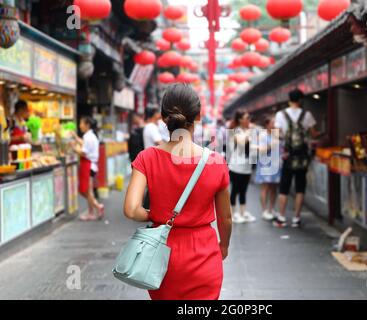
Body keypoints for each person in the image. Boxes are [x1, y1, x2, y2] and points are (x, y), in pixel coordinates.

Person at [123, 83, 232, 300]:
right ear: (198, 117)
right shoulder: (216, 162)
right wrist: (224, 246)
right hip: (204, 255)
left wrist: (156, 215)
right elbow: (225, 218)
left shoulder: (147, 158)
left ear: (163, 118)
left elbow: (131, 209)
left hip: (161, 257)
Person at [273, 89, 318, 228]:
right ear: (300, 100)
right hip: (302, 156)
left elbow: (277, 134)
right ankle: (296, 218)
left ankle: (281, 217)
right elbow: (313, 134)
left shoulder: (281, 115)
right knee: (300, 187)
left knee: (284, 187)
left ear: (289, 99)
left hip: (287, 155)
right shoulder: (307, 115)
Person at [71, 116, 104, 221]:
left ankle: (97, 206)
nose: (80, 125)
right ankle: (91, 212)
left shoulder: (87, 137)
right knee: (88, 190)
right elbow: (85, 146)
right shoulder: (91, 136)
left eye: (81, 123)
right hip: (91, 165)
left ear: (87, 125)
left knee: (86, 190)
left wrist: (74, 148)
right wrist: (76, 137)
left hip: (88, 165)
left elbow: (84, 152)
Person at [228, 110, 256, 224]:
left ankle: (243, 212)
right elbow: (242, 142)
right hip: (236, 167)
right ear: (240, 120)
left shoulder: (248, 131)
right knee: (235, 190)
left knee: (244, 190)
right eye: (247, 117)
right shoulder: (235, 131)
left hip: (247, 166)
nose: (249, 120)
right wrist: (250, 132)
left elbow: (253, 147)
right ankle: (234, 213)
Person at [254, 116, 281, 221]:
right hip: (265, 165)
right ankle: (264, 210)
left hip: (275, 165)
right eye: (272, 123)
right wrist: (271, 146)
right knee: (265, 188)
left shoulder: (276, 135)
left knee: (274, 188)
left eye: (275, 123)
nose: (274, 125)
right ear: (267, 125)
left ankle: (271, 209)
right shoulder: (262, 136)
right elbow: (260, 150)